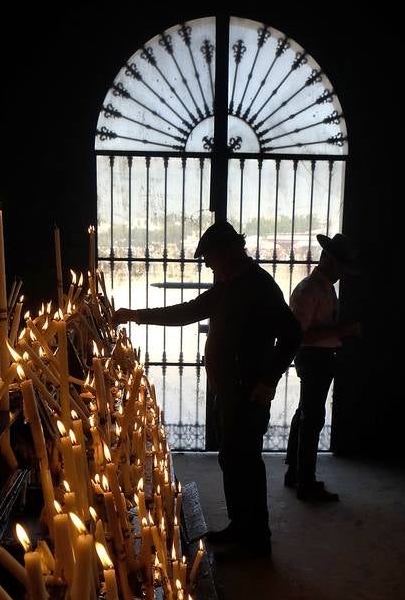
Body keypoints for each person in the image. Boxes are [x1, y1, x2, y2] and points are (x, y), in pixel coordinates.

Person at [114, 220, 302, 557]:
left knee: (246, 463)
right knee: (231, 459)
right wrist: (136, 316)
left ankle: (256, 540)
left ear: (229, 252)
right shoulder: (229, 284)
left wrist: (268, 380)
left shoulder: (259, 286)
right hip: (227, 390)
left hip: (248, 393)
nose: (208, 265)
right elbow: (189, 311)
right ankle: (238, 525)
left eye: (210, 258)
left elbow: (292, 335)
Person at [284, 232, 362, 502]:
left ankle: (295, 474)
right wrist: (343, 329)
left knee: (305, 413)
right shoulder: (312, 289)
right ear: (329, 261)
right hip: (314, 357)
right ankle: (305, 482)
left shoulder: (321, 287)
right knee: (312, 418)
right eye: (340, 267)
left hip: (316, 357)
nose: (342, 273)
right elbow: (300, 335)